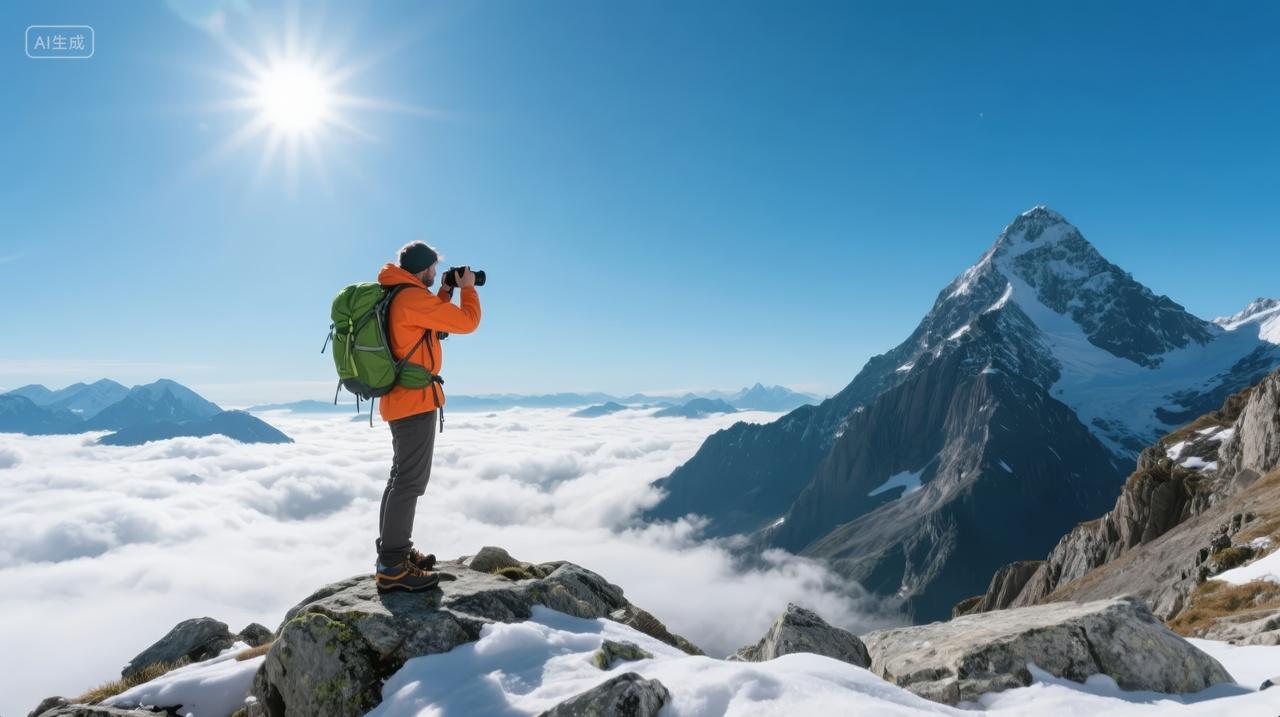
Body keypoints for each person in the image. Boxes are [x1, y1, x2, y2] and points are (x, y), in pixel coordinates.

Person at [374, 240, 481, 592]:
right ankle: (392, 566)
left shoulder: (401, 295)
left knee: (400, 478)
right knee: (409, 483)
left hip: (401, 401)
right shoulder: (411, 297)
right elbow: (467, 323)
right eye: (434, 270)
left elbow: (431, 325)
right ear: (424, 269)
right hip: (415, 403)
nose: (437, 275)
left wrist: (446, 291)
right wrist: (467, 290)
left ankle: (395, 554)